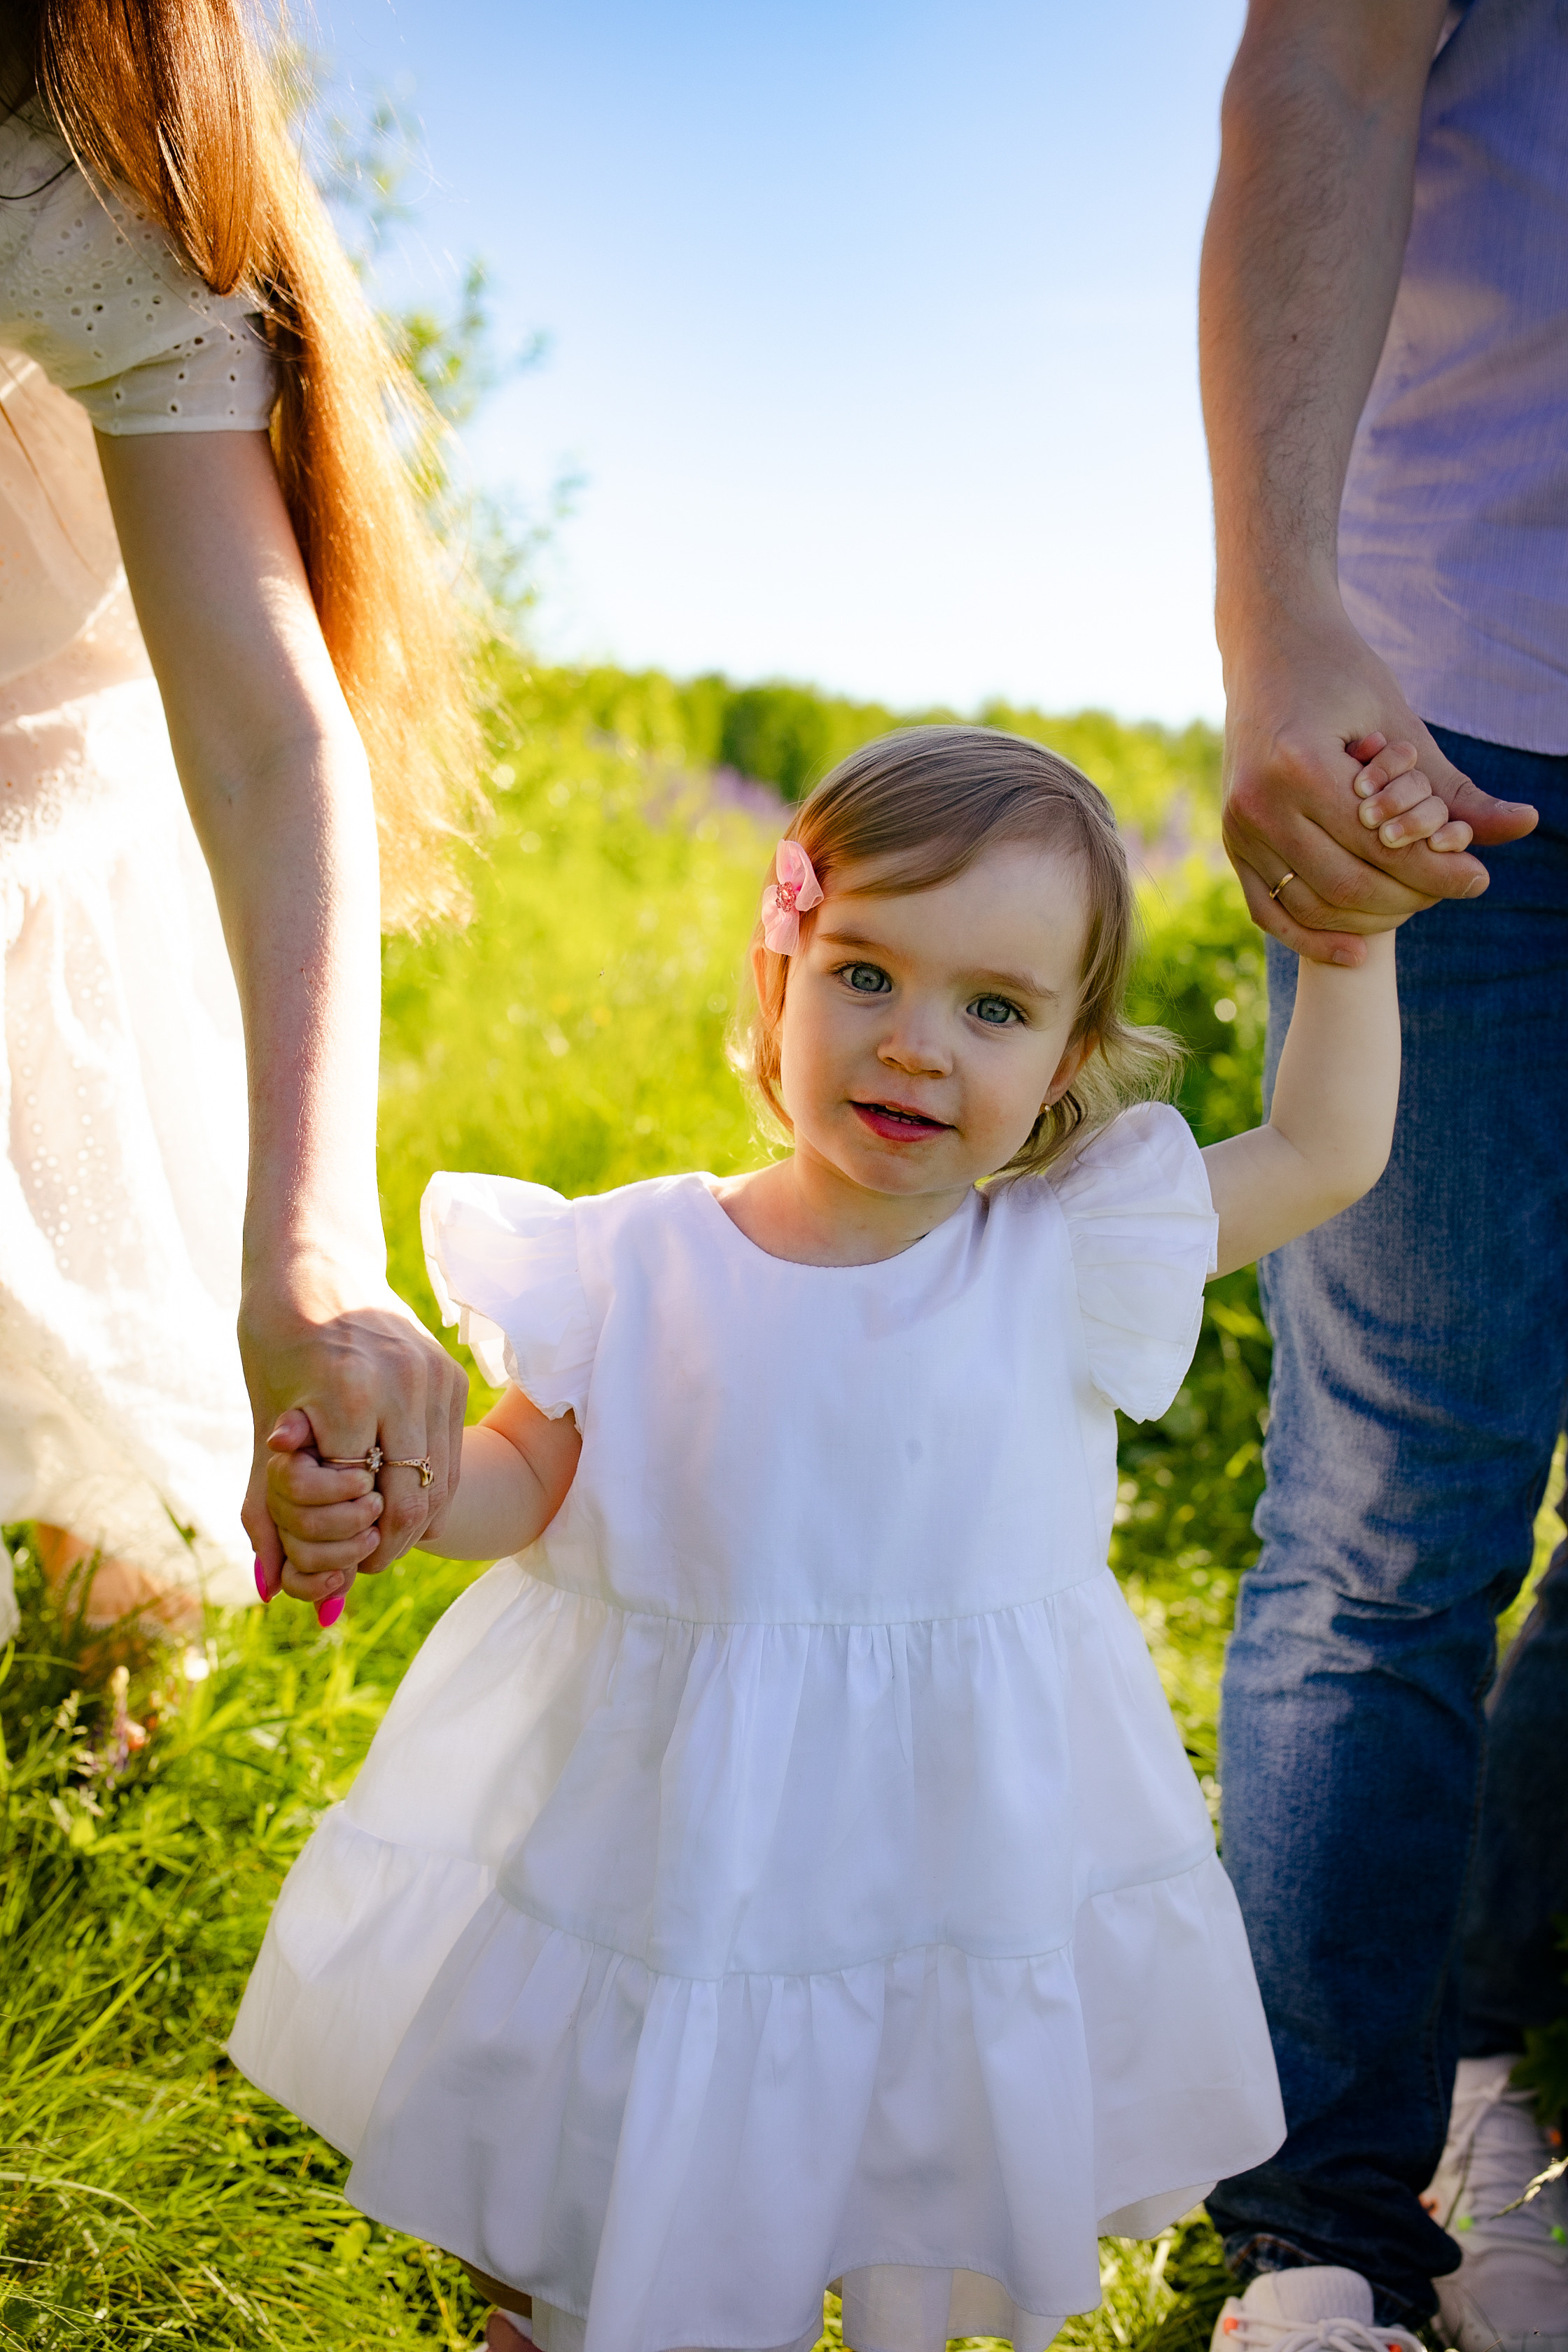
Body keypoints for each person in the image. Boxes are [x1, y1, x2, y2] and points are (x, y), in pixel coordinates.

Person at [232, 724, 1411, 2352]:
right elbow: (520, 1481)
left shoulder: (1062, 1256)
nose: (915, 1047)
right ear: (776, 973)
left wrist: (1348, 940)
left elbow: (1323, 1152)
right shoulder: (633, 1262)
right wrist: (396, 1496)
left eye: (993, 1009)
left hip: (944, 1853)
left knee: (896, 2147)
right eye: (865, 976)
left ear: (1067, 1060)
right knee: (623, 2157)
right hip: (675, 1835)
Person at [1198, 2, 1568, 2348]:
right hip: (1457, 709)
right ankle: (1318, 2224)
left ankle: (1486, 2086)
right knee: (1397, 1510)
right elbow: (1323, 65)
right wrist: (1274, 619)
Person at [0, 0, 472, 1641]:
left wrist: (317, 1255)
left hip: (38, 767)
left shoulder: (71, 170)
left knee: (118, 1530)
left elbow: (273, 744)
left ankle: (113, 1651)